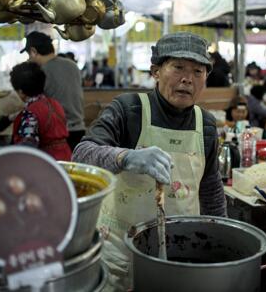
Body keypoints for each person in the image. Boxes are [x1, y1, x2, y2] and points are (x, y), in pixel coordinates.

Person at [72, 32, 226, 291]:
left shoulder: (207, 125)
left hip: (182, 254)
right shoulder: (128, 109)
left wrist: (221, 242)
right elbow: (82, 154)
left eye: (198, 71)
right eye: (178, 67)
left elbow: (211, 190)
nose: (187, 79)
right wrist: (125, 157)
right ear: (155, 71)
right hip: (123, 254)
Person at [0, 32, 86, 150]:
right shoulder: (72, 65)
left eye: (28, 55)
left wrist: (8, 119)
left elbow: (35, 106)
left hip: (54, 134)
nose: (29, 59)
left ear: (34, 51)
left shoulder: (41, 72)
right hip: (79, 131)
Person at [9, 62, 71, 161]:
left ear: (21, 92)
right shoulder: (55, 103)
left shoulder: (30, 113)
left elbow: (28, 145)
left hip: (48, 161)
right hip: (66, 157)